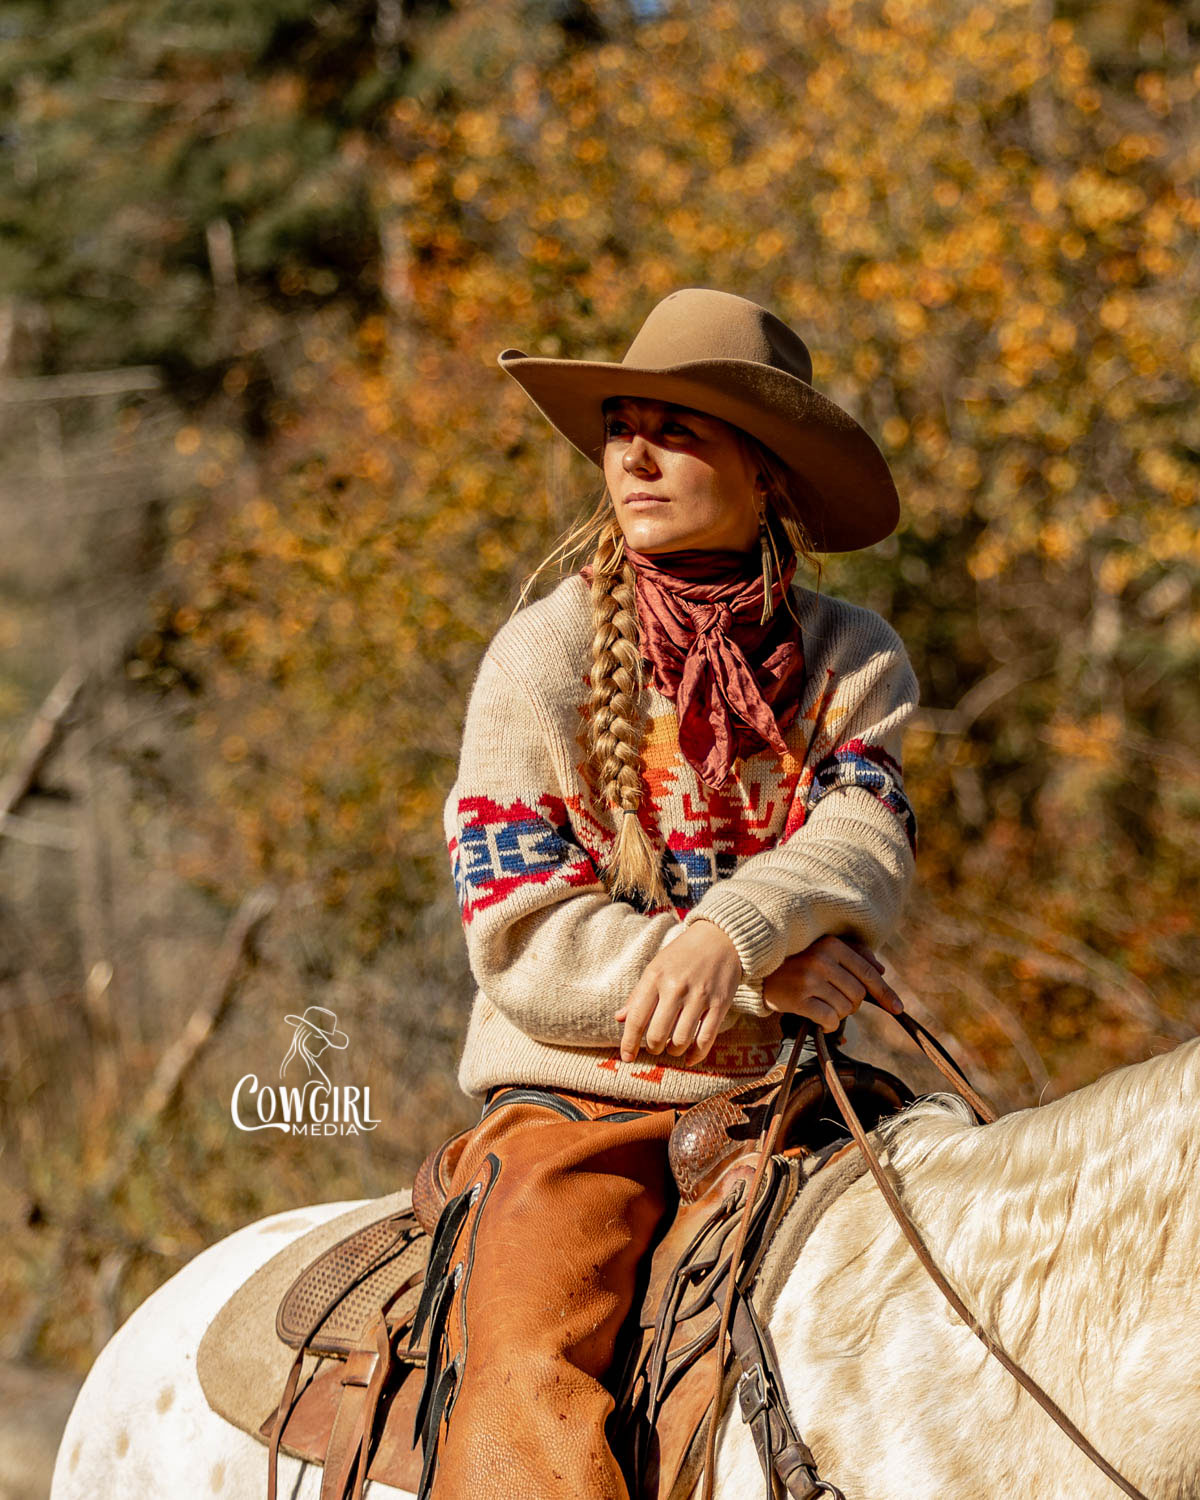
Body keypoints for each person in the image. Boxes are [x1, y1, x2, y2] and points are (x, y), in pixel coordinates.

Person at [413, 287, 919, 1500]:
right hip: (580, 1103)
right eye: (620, 427)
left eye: (676, 429)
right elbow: (522, 934)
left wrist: (734, 928)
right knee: (527, 1367)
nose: (631, 456)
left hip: (798, 1089)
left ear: (768, 475)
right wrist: (746, 965)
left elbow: (865, 832)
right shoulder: (542, 659)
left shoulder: (855, 653)